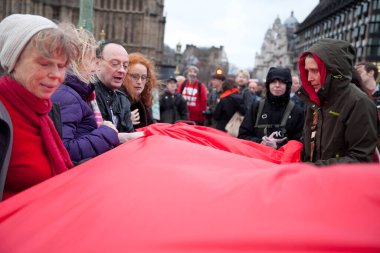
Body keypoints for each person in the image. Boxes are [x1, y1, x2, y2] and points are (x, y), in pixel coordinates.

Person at [0, 14, 80, 200]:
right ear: (13, 62)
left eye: (62, 66)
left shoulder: (45, 111)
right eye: (45, 64)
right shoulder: (4, 117)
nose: (56, 75)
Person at [298, 38, 377, 165]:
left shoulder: (359, 103)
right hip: (313, 180)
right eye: (307, 71)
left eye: (315, 71)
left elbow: (360, 159)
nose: (309, 78)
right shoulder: (314, 99)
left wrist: (312, 169)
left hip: (340, 183)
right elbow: (308, 144)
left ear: (333, 71)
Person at [51, 28, 120, 165]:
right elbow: (65, 151)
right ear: (76, 61)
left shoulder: (75, 93)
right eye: (92, 61)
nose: (95, 69)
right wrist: (106, 133)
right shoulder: (68, 97)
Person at [238, 67, 304, 149]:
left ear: (288, 85)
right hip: (257, 158)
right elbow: (242, 136)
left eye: (281, 82)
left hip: (284, 160)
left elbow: (300, 143)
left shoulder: (297, 111)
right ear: (268, 85)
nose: (277, 85)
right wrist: (261, 142)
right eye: (273, 82)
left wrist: (278, 146)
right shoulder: (256, 107)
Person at [94, 40, 135, 135]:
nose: (122, 70)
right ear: (97, 63)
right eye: (115, 64)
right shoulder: (87, 95)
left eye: (125, 66)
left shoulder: (123, 100)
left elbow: (129, 133)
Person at [121, 52, 157, 129]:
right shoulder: (116, 99)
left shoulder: (143, 101)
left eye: (143, 77)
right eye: (135, 76)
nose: (139, 82)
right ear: (124, 76)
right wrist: (124, 122)